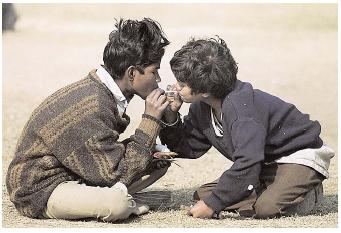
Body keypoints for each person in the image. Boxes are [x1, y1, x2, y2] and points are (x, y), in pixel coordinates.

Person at [6, 18, 173, 222]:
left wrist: (164, 122)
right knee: (117, 205)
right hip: (40, 188)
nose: (158, 80)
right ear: (131, 73)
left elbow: (105, 155)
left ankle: (117, 198)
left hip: (74, 173)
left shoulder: (102, 92)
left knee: (157, 161)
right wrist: (150, 119)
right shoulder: (93, 105)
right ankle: (125, 201)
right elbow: (115, 173)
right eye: (154, 71)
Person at [159, 37, 335, 219]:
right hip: (265, 161)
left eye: (182, 84)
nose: (176, 87)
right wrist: (171, 116)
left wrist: (214, 205)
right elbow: (189, 147)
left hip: (298, 156)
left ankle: (307, 192)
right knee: (203, 195)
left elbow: (248, 161)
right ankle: (267, 187)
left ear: (205, 91)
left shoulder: (242, 112)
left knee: (266, 208)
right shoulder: (203, 105)